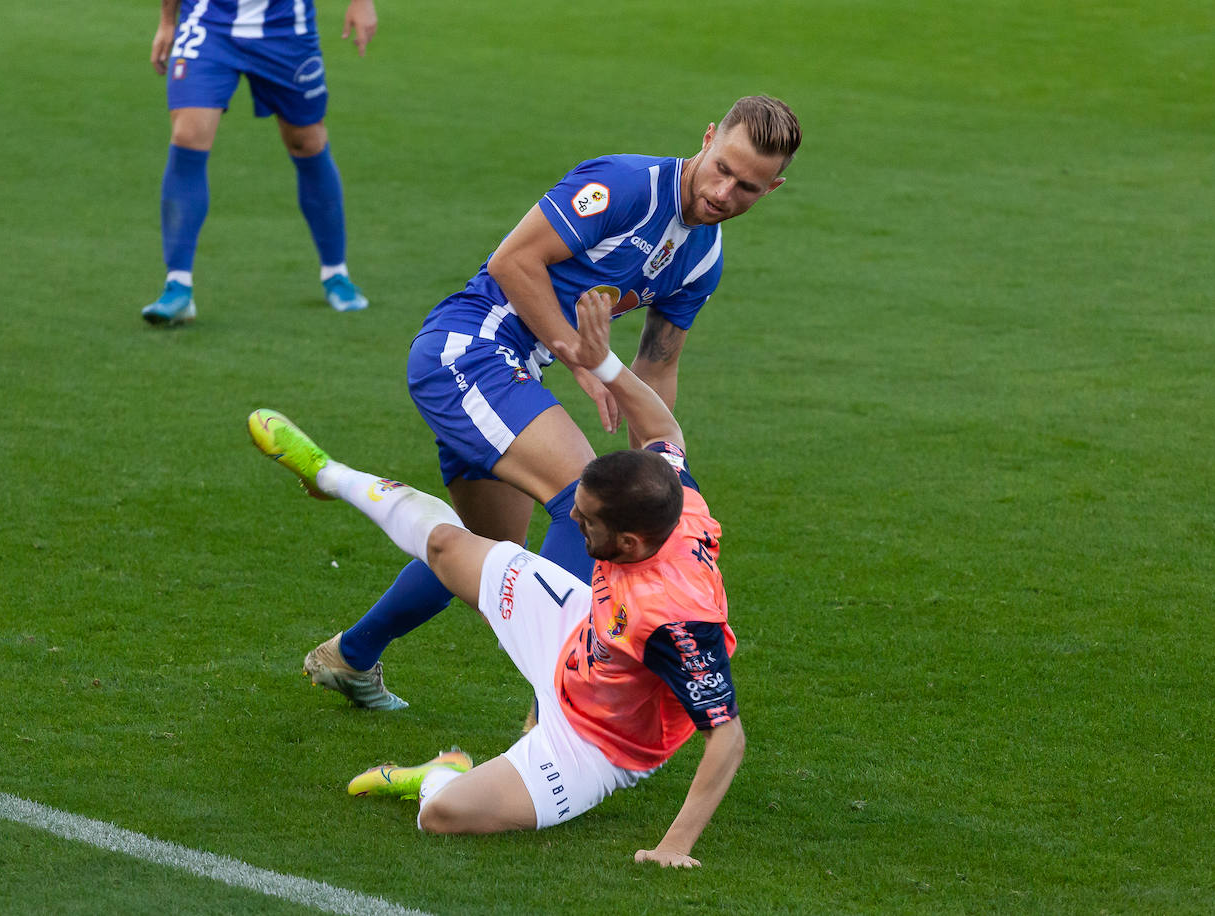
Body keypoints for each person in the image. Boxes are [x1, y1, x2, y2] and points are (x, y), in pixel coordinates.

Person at [299, 95, 800, 712]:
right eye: (722, 168)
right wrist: (577, 356)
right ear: (706, 139)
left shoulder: (703, 260)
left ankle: (349, 656)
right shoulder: (625, 187)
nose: (725, 192)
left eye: (747, 186)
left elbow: (657, 365)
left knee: (485, 549)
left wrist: (660, 469)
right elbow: (513, 261)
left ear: (771, 189)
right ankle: (556, 707)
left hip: (508, 371)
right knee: (584, 502)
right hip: (468, 347)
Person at [247, 293, 741, 867]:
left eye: (586, 519)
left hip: (595, 743)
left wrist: (673, 846)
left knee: (442, 817)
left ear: (629, 544)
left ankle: (442, 774)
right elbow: (663, 427)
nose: (572, 518)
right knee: (443, 545)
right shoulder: (673, 495)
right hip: (579, 629)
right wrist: (603, 362)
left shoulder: (678, 621)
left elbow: (726, 737)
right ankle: (329, 475)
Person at [142, 0, 376, 326]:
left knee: (306, 142)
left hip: (285, 26)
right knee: (188, 135)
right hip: (208, 22)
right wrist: (168, 22)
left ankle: (336, 273)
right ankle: (177, 284)